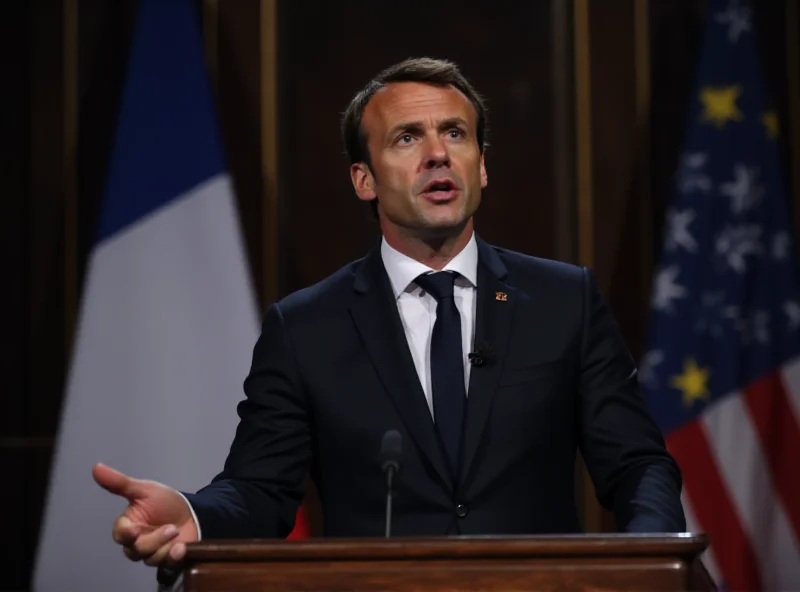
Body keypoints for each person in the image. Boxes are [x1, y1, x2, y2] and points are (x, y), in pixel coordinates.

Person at [93, 57, 686, 579]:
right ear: (364, 179)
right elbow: (260, 490)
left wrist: (650, 562)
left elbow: (636, 463)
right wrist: (195, 515)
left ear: (480, 167)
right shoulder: (306, 329)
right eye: (407, 137)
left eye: (455, 133)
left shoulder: (564, 301)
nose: (436, 153)